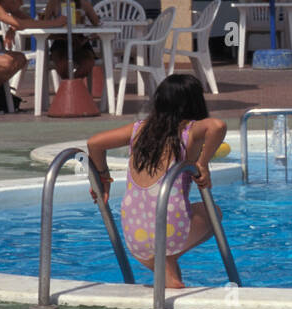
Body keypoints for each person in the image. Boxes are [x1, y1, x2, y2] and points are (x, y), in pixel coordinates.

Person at [85, 74, 227, 288]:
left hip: (135, 237)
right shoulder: (189, 131)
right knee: (214, 212)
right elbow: (217, 126)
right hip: (169, 234)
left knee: (170, 276)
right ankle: (169, 271)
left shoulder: (139, 129)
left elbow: (94, 143)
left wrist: (103, 178)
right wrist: (203, 163)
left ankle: (172, 281)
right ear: (195, 102)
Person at [41, 0, 101, 82]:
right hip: (60, 41)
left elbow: (98, 26)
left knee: (88, 64)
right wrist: (56, 32)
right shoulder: (53, 4)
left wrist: (89, 37)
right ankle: (72, 87)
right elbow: (44, 27)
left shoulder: (84, 5)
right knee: (63, 66)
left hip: (80, 42)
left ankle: (70, 86)